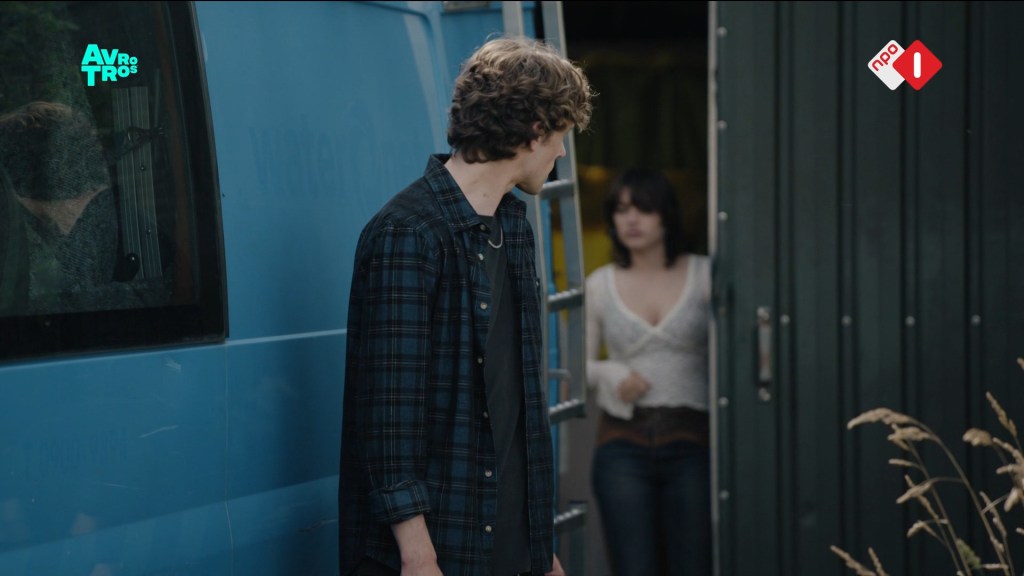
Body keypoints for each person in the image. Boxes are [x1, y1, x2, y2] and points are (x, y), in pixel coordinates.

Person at [339, 36, 594, 576]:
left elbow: (516, 407)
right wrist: (417, 555)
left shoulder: (514, 226)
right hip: (436, 554)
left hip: (510, 549)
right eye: (562, 136)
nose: (561, 154)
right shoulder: (407, 232)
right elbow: (388, 416)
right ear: (536, 130)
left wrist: (539, 548)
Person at [585, 168, 711, 576]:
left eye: (643, 208)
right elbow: (578, 366)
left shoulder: (705, 274)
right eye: (621, 210)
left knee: (694, 566)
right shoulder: (600, 284)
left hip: (694, 444)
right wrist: (610, 373)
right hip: (622, 447)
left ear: (666, 215)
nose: (631, 220)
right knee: (633, 567)